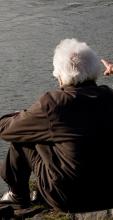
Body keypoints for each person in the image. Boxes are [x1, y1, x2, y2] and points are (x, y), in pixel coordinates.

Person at [0, 38, 113, 212]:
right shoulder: (108, 96)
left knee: (24, 136)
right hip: (109, 194)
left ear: (60, 75)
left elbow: (6, 129)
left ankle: (17, 195)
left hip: (70, 198)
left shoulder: (53, 104)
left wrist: (22, 116)